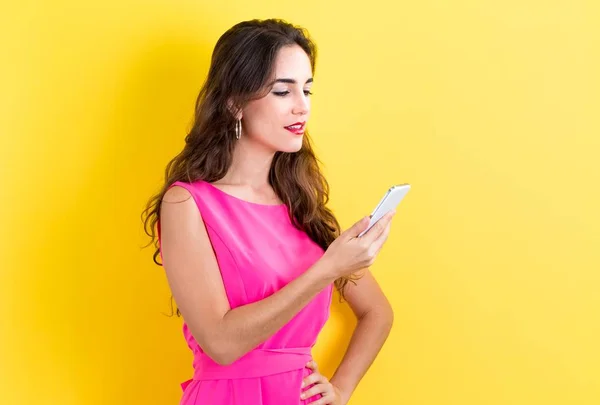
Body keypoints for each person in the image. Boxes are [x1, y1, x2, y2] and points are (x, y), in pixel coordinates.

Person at [142, 18, 396, 405]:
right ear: (234, 102)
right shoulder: (187, 204)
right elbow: (222, 344)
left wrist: (341, 390)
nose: (302, 107)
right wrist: (327, 269)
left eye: (307, 90)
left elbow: (378, 312)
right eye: (283, 91)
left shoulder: (302, 205)